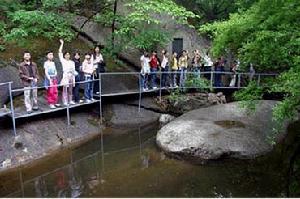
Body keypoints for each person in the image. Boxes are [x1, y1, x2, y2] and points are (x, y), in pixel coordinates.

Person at [59, 39, 76, 106]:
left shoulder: (72, 62)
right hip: (66, 76)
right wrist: (62, 44)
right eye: (66, 55)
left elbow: (74, 70)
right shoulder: (63, 61)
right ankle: (65, 101)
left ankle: (70, 100)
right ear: (64, 56)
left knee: (71, 89)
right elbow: (60, 52)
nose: (67, 56)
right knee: (65, 89)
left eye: (68, 55)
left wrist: (74, 75)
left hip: (71, 76)